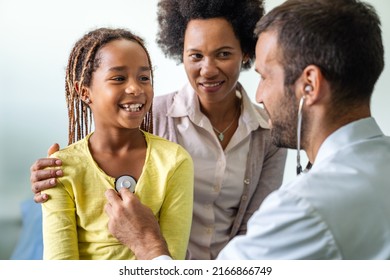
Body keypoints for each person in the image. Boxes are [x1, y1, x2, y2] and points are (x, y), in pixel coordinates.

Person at [104, 0, 390, 260]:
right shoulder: (148, 116)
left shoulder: (301, 207)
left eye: (265, 77)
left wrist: (147, 243)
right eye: (196, 56)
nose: (261, 95)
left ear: (310, 85)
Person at [29, 0, 287, 260]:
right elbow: (98, 154)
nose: (208, 69)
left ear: (244, 52)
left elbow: (256, 227)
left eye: (223, 54)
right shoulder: (146, 113)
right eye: (196, 55)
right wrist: (50, 176)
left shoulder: (271, 131)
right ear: (181, 54)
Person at [40, 27, 194, 260]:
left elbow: (170, 262)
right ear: (84, 92)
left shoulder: (174, 161)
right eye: (119, 78)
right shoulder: (60, 169)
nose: (135, 88)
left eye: (144, 78)